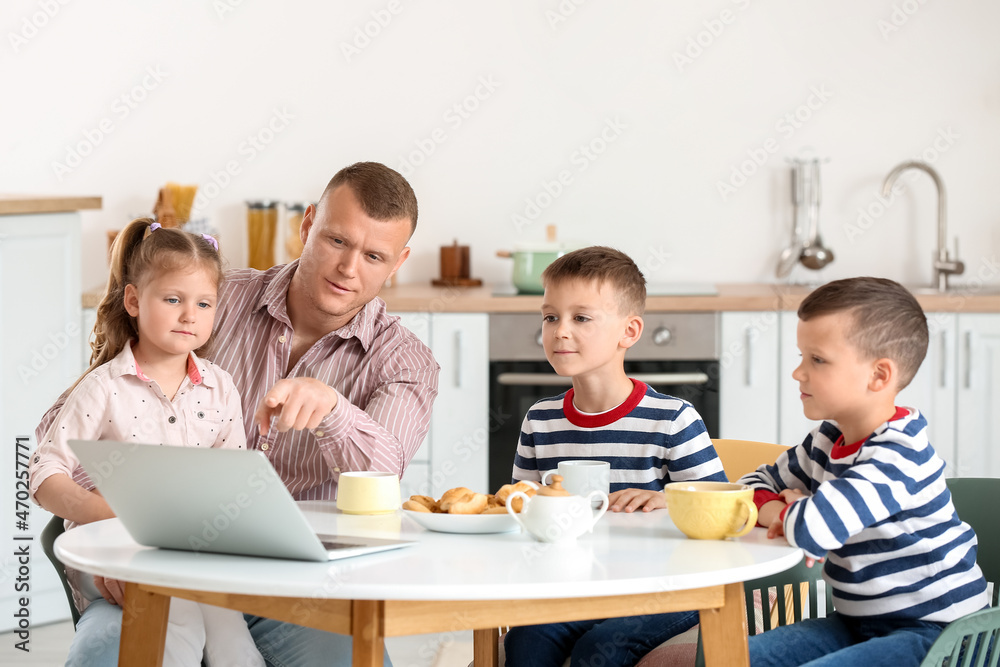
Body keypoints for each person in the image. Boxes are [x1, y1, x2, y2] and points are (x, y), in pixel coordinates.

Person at [36, 162, 440, 666]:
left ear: (398, 262)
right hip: (156, 566)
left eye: (374, 255)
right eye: (338, 241)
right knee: (107, 654)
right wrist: (124, 534)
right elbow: (67, 431)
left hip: (299, 589)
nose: (349, 268)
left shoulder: (405, 363)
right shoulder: (210, 299)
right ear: (307, 224)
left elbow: (387, 472)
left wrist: (334, 412)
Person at [29, 218, 265, 667]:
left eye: (204, 303)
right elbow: (43, 473)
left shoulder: (220, 387)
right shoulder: (104, 387)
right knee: (177, 622)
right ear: (134, 301)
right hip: (112, 551)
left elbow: (233, 481)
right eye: (173, 299)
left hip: (191, 554)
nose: (189, 315)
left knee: (233, 640)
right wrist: (109, 513)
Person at [740, 277, 988, 667]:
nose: (798, 373)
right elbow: (749, 489)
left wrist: (803, 511)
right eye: (802, 356)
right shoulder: (826, 439)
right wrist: (791, 509)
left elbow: (812, 528)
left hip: (939, 634)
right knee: (736, 658)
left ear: (879, 376)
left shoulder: (899, 455)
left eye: (817, 360)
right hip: (859, 620)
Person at [505, 246, 726, 667]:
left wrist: (669, 498)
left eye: (581, 318)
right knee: (527, 641)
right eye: (550, 317)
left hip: (664, 591)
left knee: (600, 649)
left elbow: (719, 505)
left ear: (629, 331)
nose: (559, 331)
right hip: (576, 585)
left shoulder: (672, 419)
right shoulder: (540, 420)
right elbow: (522, 507)